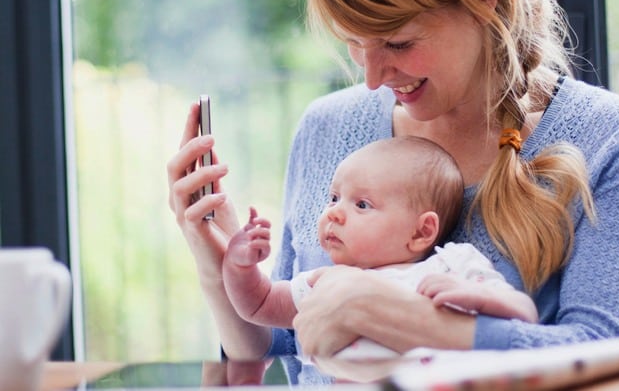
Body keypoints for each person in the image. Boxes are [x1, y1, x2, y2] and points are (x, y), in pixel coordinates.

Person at [166, 0, 619, 362]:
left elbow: (606, 348)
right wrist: (216, 261)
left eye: (397, 43)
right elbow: (282, 342)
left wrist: (389, 314)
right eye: (355, 44)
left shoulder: (610, 139)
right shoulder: (327, 127)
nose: (373, 78)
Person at [222, 136, 538, 360]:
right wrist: (240, 266)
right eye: (334, 198)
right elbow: (259, 306)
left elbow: (524, 315)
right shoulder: (330, 283)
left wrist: (476, 296)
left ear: (421, 231)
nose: (333, 212)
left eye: (362, 204)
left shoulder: (451, 265)